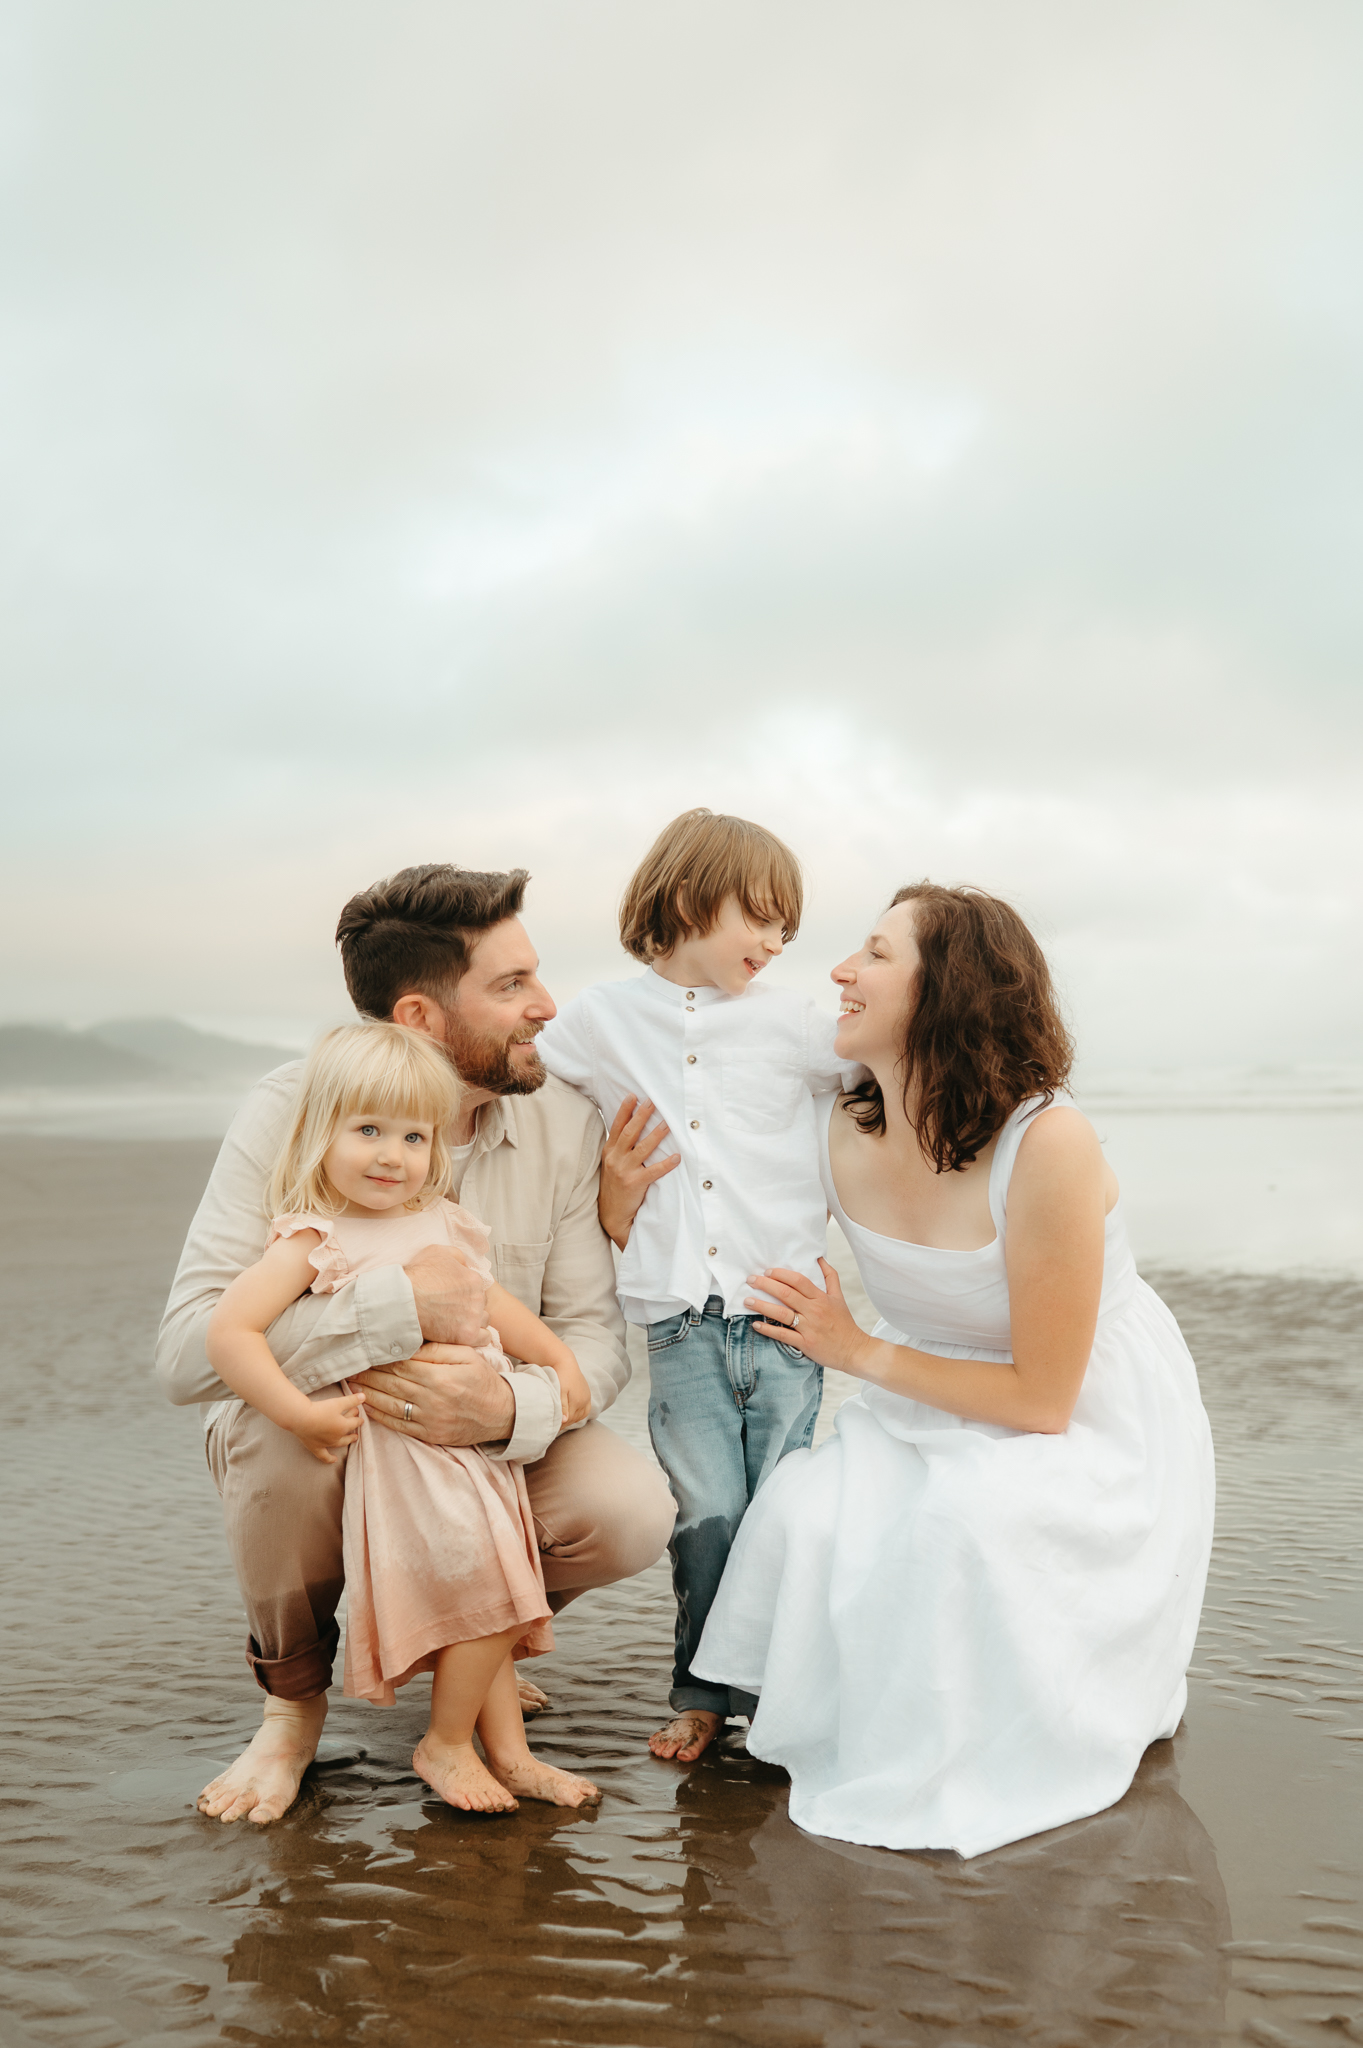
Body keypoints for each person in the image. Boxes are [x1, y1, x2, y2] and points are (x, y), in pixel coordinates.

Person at [692, 882, 1215, 1858]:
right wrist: (618, 1193)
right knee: (805, 1516)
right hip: (921, 1385)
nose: (840, 971)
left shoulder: (1046, 1140)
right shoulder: (842, 1118)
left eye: (876, 953)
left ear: (951, 990)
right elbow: (704, 1159)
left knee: (958, 1524)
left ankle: (973, 1733)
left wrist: (853, 1350)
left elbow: (1042, 1399)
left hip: (1083, 1407)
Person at [157, 864, 676, 1825]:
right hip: (339, 1430)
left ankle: (464, 1655)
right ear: (421, 1019)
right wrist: (395, 1308)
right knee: (269, 1444)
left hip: (478, 1440)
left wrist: (510, 1408)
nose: (546, 1007)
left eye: (537, 975)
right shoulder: (292, 1111)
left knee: (628, 1508)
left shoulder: (563, 1119)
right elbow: (188, 1354)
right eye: (511, 986)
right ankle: (291, 1711)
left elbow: (590, 1338)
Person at [205, 1019, 600, 1812]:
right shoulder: (314, 1237)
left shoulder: (442, 1220)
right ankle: (445, 1743)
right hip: (405, 1453)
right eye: (368, 1131)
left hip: (479, 1449)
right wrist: (301, 1416)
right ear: (320, 1133)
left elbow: (497, 1305)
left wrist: (559, 1367)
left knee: (497, 1588)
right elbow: (229, 1333)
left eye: (414, 1136)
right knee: (496, 1594)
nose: (392, 1155)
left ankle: (509, 1753)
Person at [537, 809, 857, 1765]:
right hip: (679, 1320)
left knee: (781, 1512)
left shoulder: (801, 1025)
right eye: (757, 917)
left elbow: (894, 1082)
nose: (772, 942)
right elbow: (527, 1102)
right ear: (685, 900)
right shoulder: (598, 1021)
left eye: (784, 929)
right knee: (707, 1515)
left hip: (785, 1316)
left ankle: (786, 1696)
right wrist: (604, 1191)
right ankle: (704, 1695)